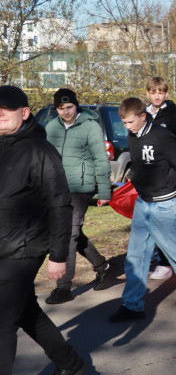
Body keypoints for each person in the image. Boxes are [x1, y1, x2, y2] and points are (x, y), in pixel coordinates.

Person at [0, 85, 88, 375]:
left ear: (24, 112)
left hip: (25, 247)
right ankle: (70, 363)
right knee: (23, 311)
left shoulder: (40, 150)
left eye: (5, 109)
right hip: (2, 242)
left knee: (2, 319)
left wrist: (58, 255)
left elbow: (60, 205)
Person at [110, 97, 176, 323]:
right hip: (143, 204)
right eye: (124, 123)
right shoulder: (132, 137)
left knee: (174, 252)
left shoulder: (162, 137)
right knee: (136, 257)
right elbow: (140, 165)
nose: (127, 127)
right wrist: (131, 179)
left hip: (164, 205)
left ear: (142, 116)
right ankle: (132, 305)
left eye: (130, 122)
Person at [43, 88, 112, 304]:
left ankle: (64, 287)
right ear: (56, 109)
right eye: (61, 108)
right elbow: (44, 159)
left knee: (68, 235)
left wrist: (104, 191)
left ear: (76, 105)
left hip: (82, 187)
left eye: (69, 107)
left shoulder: (90, 126)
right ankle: (103, 267)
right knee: (75, 232)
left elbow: (101, 159)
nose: (66, 112)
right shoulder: (51, 127)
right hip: (58, 188)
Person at [145, 77, 176, 280]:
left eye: (161, 92)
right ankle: (155, 257)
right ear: (148, 93)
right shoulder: (143, 114)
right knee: (148, 221)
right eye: (153, 92)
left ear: (166, 94)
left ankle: (166, 263)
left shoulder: (173, 116)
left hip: (167, 177)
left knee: (165, 222)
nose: (157, 96)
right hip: (148, 177)